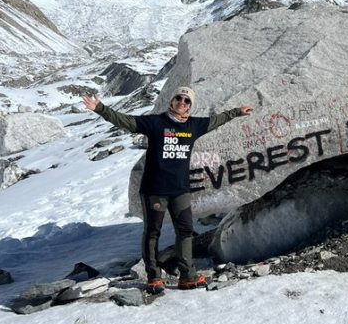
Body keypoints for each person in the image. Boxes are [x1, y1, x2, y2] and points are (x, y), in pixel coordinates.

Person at [82, 86, 252, 293]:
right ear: (171, 101)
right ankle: (154, 277)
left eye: (187, 100)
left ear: (190, 106)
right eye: (179, 98)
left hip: (180, 190)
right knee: (153, 232)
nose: (182, 102)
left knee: (185, 231)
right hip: (155, 189)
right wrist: (100, 108)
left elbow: (217, 120)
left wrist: (236, 112)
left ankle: (187, 275)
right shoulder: (155, 123)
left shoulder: (194, 125)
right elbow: (126, 121)